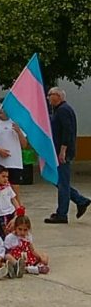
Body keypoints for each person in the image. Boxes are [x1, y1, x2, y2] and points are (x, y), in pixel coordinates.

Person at [44, 87, 90, 224]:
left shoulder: (63, 110)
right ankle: (80, 200)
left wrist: (63, 151)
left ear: (58, 96)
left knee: (62, 183)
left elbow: (67, 132)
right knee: (57, 181)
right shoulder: (59, 110)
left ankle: (62, 214)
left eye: (50, 95)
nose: (48, 97)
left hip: (62, 153)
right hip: (58, 152)